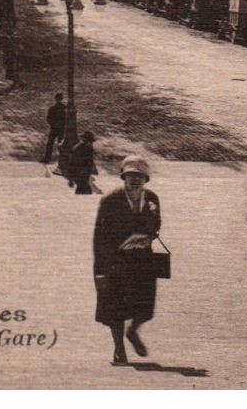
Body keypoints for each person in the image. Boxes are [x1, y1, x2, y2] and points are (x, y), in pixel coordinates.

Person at [93, 156, 162, 366]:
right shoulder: (110, 200)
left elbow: (157, 223)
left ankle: (132, 332)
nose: (135, 180)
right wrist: (100, 270)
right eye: (130, 176)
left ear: (146, 179)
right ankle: (118, 349)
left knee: (145, 305)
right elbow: (100, 236)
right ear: (123, 176)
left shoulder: (152, 199)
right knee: (115, 306)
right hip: (115, 261)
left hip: (142, 260)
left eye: (139, 176)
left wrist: (148, 235)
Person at [41, 93, 67, 164]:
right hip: (57, 128)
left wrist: (54, 124)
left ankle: (50, 158)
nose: (58, 100)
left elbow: (49, 119)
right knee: (52, 143)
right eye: (58, 98)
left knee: (57, 143)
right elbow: (49, 119)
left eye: (59, 99)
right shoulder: (61, 108)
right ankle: (49, 158)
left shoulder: (60, 108)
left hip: (57, 128)